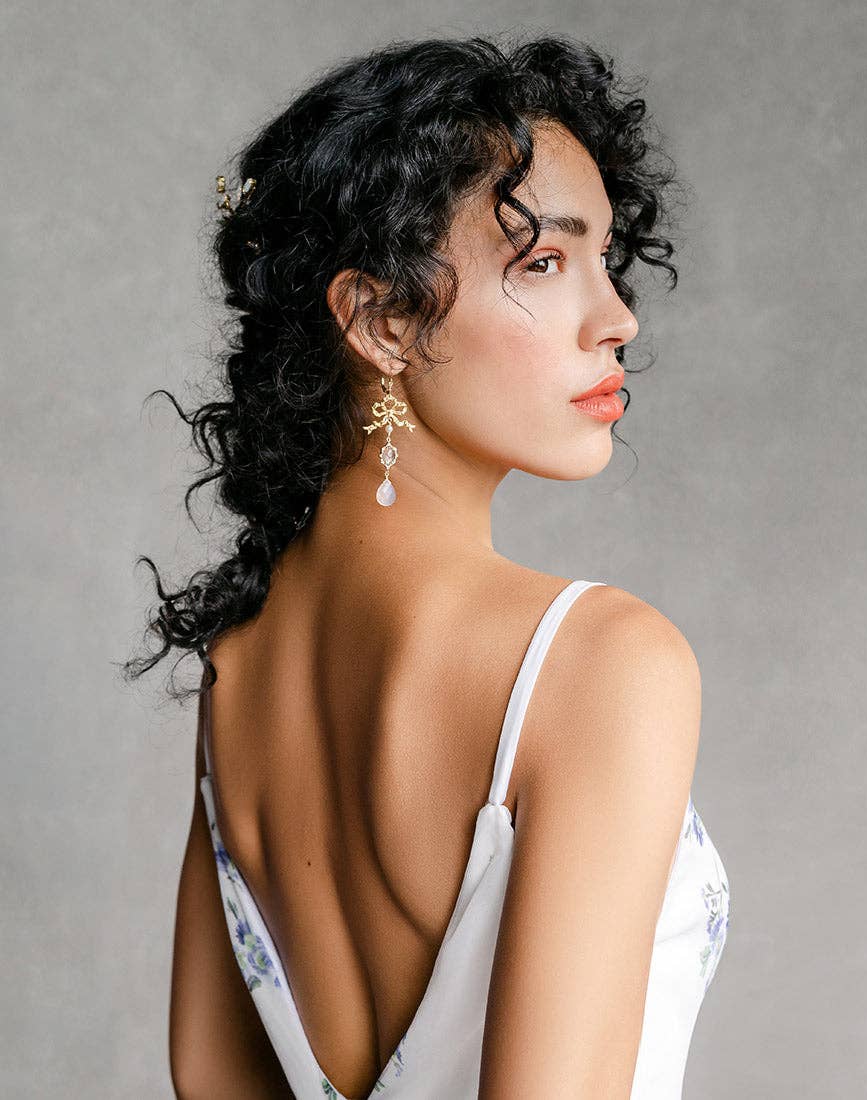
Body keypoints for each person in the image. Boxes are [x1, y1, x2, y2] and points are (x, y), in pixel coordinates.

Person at [125, 32, 730, 1099]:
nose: (617, 318)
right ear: (382, 320)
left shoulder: (238, 668)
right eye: (544, 262)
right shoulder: (599, 664)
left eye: (606, 259)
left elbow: (209, 1077)